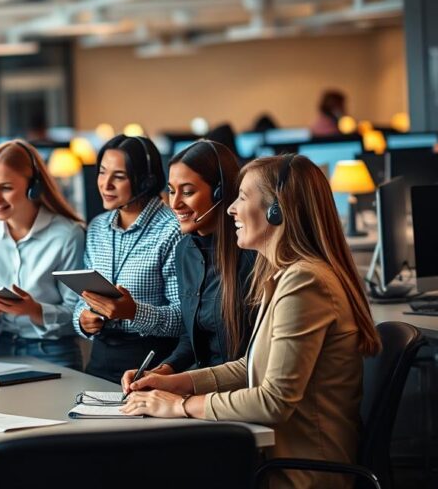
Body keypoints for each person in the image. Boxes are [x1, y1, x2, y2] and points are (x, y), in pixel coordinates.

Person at [122, 154, 381, 489]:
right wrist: (177, 384)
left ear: (277, 210)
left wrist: (181, 407)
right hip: (277, 456)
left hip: (301, 473)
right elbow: (249, 367)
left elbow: (274, 401)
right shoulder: (285, 275)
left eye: (242, 198)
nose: (231, 209)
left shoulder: (306, 282)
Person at [121, 140, 256, 390]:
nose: (175, 204)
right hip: (199, 389)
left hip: (238, 394)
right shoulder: (185, 250)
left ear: (220, 193)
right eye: (172, 191)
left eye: (188, 191)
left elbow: (254, 360)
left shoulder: (251, 254)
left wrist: (178, 384)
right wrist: (159, 372)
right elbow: (191, 337)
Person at [73, 135, 182, 383]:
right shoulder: (97, 227)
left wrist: (134, 312)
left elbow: (185, 318)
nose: (106, 184)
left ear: (146, 180)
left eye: (119, 176)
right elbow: (80, 301)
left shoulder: (172, 229)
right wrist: (82, 319)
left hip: (149, 364)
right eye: (102, 173)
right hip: (99, 361)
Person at [0, 140, 85, 369]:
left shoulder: (67, 234)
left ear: (34, 187)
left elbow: (77, 315)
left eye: (6, 187)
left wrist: (34, 310)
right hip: (0, 347)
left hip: (52, 350)